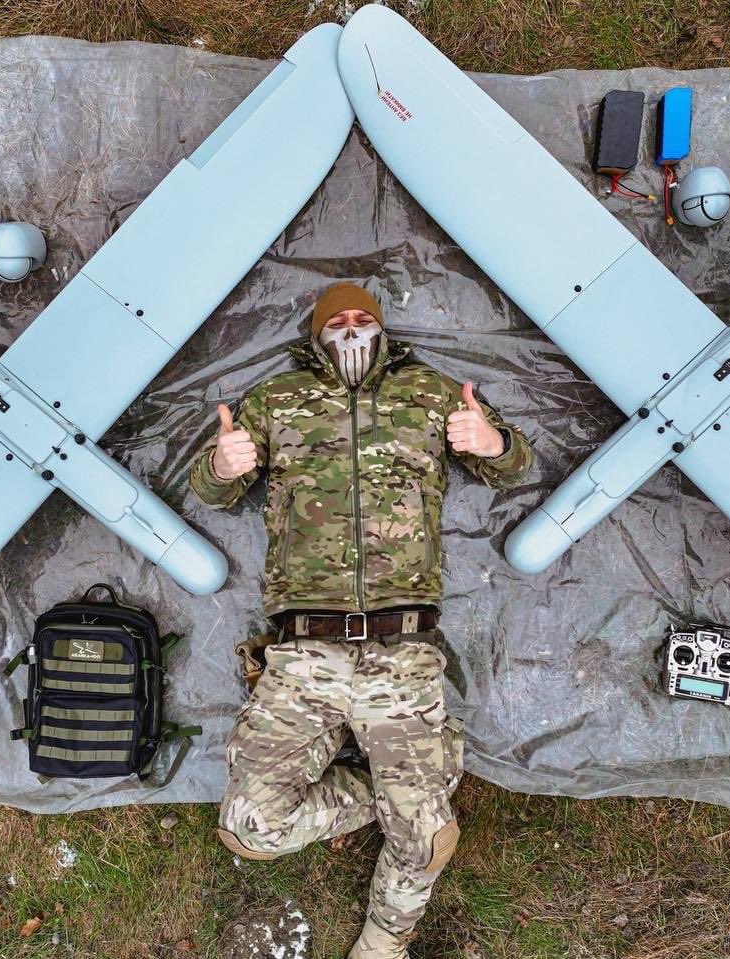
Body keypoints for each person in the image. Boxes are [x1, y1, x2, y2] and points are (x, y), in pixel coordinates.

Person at [190, 282, 533, 958]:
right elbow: (212, 490)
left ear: (381, 328)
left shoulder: (428, 392)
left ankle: (385, 939)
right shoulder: (276, 399)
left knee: (424, 841)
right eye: (337, 321)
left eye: (362, 318)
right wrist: (222, 465)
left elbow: (513, 467)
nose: (351, 329)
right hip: (303, 654)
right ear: (316, 335)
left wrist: (492, 443)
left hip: (401, 649)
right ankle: (405, 790)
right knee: (250, 827)